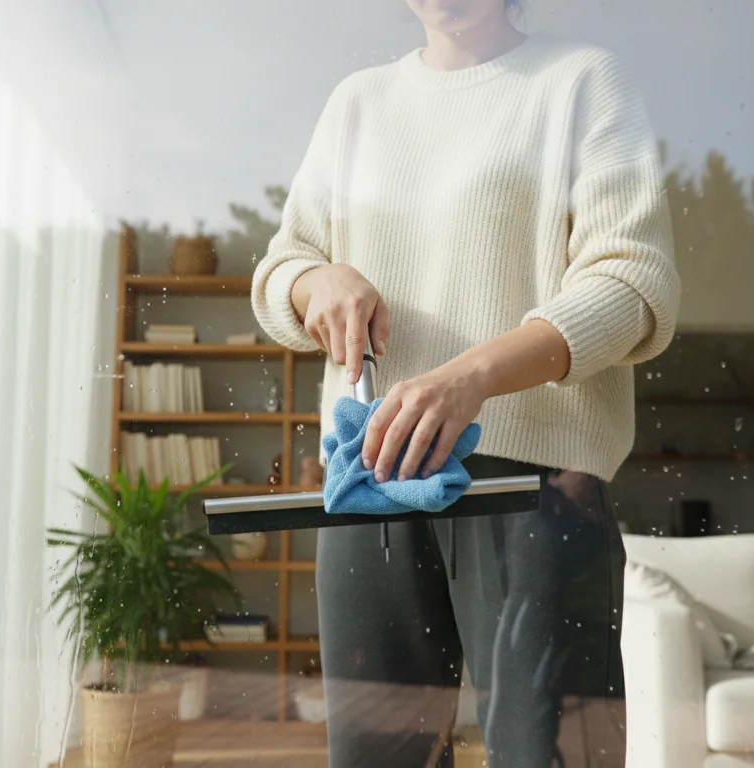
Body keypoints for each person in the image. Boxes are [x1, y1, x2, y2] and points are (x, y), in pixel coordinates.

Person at [251, 0, 678, 764]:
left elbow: (632, 287)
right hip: (370, 483)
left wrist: (470, 377)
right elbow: (282, 269)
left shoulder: (582, 82)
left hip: (533, 485)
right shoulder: (357, 104)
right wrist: (322, 282)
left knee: (548, 756)